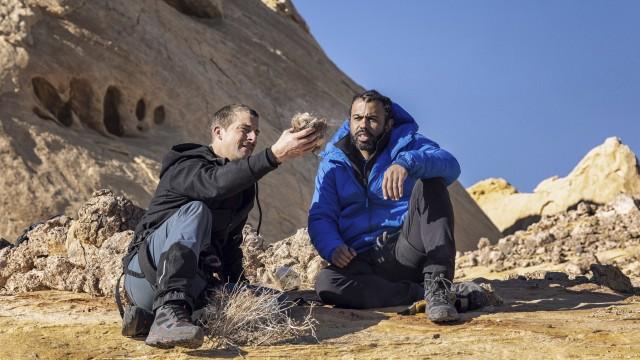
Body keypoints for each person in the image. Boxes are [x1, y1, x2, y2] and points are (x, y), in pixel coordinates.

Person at [119, 104, 320, 348]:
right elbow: (213, 185)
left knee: (278, 302)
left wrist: (238, 289)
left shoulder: (241, 187)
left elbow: (230, 246)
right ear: (219, 132)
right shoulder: (186, 164)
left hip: (193, 285)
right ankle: (166, 314)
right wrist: (273, 155)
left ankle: (150, 319)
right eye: (245, 129)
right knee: (197, 210)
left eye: (256, 132)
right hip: (145, 275)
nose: (253, 137)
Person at [308, 90, 461, 323]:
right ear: (349, 121)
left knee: (433, 183)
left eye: (372, 119)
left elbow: (450, 165)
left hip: (404, 249)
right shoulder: (333, 161)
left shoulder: (408, 145)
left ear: (388, 124)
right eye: (357, 118)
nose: (363, 125)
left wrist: (407, 163)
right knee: (328, 284)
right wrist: (333, 246)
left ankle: (438, 287)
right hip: (359, 259)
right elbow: (321, 215)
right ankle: (422, 294)